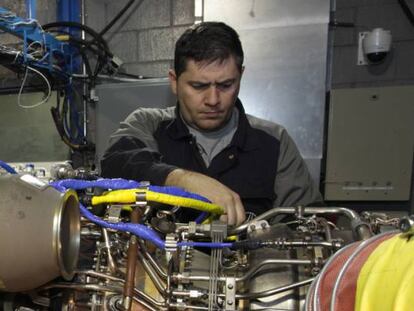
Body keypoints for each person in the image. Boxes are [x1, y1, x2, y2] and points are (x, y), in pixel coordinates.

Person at [101, 22, 322, 226]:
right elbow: (115, 163)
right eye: (198, 86)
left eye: (226, 85)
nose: (213, 100)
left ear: (240, 77)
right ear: (174, 82)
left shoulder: (274, 141)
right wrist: (181, 180)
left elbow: (309, 225)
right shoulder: (148, 124)